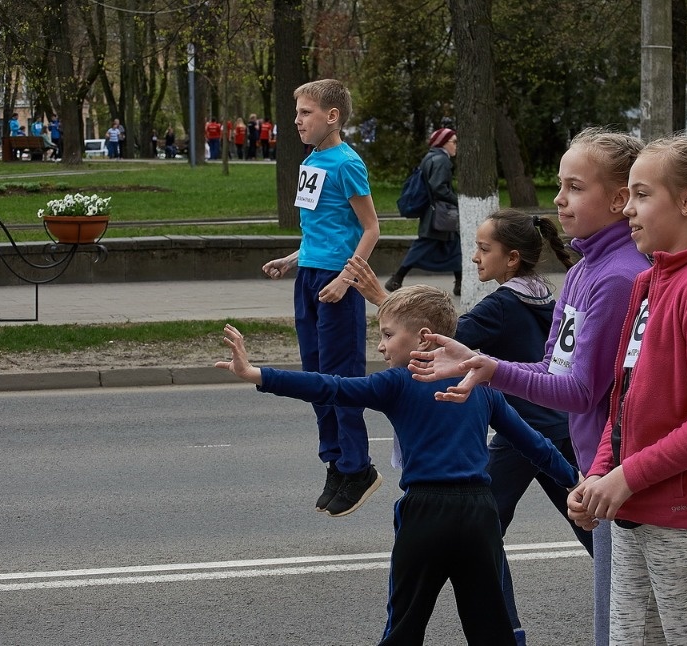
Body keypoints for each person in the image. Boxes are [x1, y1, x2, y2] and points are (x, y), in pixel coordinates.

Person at [215, 285, 581, 645]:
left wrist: (257, 375)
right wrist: (573, 481)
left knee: (404, 625)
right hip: (480, 514)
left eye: (388, 334)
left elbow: (331, 387)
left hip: (426, 512)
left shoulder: (397, 382)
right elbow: (533, 442)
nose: (380, 345)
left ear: (423, 339)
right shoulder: (480, 384)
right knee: (490, 628)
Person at [407, 127, 650, 646]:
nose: (559, 199)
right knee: (617, 620)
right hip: (601, 466)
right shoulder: (586, 269)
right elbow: (553, 369)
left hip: (624, 471)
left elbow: (582, 392)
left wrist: (489, 370)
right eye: (560, 185)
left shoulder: (615, 276)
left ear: (618, 198)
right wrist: (482, 361)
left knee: (632, 626)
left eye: (575, 187)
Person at [343, 209, 588, 645]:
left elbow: (437, 337)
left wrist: (384, 298)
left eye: (483, 248)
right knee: (586, 521)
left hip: (523, 432)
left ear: (511, 259)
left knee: (478, 527)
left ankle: (507, 630)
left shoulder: (502, 304)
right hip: (558, 423)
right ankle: (633, 587)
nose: (474, 257)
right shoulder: (544, 295)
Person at [564, 135, 687, 644]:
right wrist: (601, 471)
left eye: (642, 195)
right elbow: (622, 401)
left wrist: (626, 477)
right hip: (636, 512)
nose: (628, 208)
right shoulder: (652, 282)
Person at [261, 79, 381, 518]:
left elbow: (371, 229)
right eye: (297, 113)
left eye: (305, 112)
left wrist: (347, 280)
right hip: (310, 278)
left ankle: (358, 467)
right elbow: (322, 228)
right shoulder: (311, 160)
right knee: (315, 379)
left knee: (340, 378)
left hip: (336, 284)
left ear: (332, 116)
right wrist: (293, 259)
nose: (297, 120)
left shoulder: (347, 163)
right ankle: (334, 461)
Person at [384, 127, 462, 296]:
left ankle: (460, 283)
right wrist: (458, 201)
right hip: (438, 215)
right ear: (443, 142)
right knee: (424, 246)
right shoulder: (441, 160)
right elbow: (438, 187)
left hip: (434, 213)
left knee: (455, 245)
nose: (457, 145)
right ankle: (396, 278)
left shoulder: (430, 157)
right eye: (454, 142)